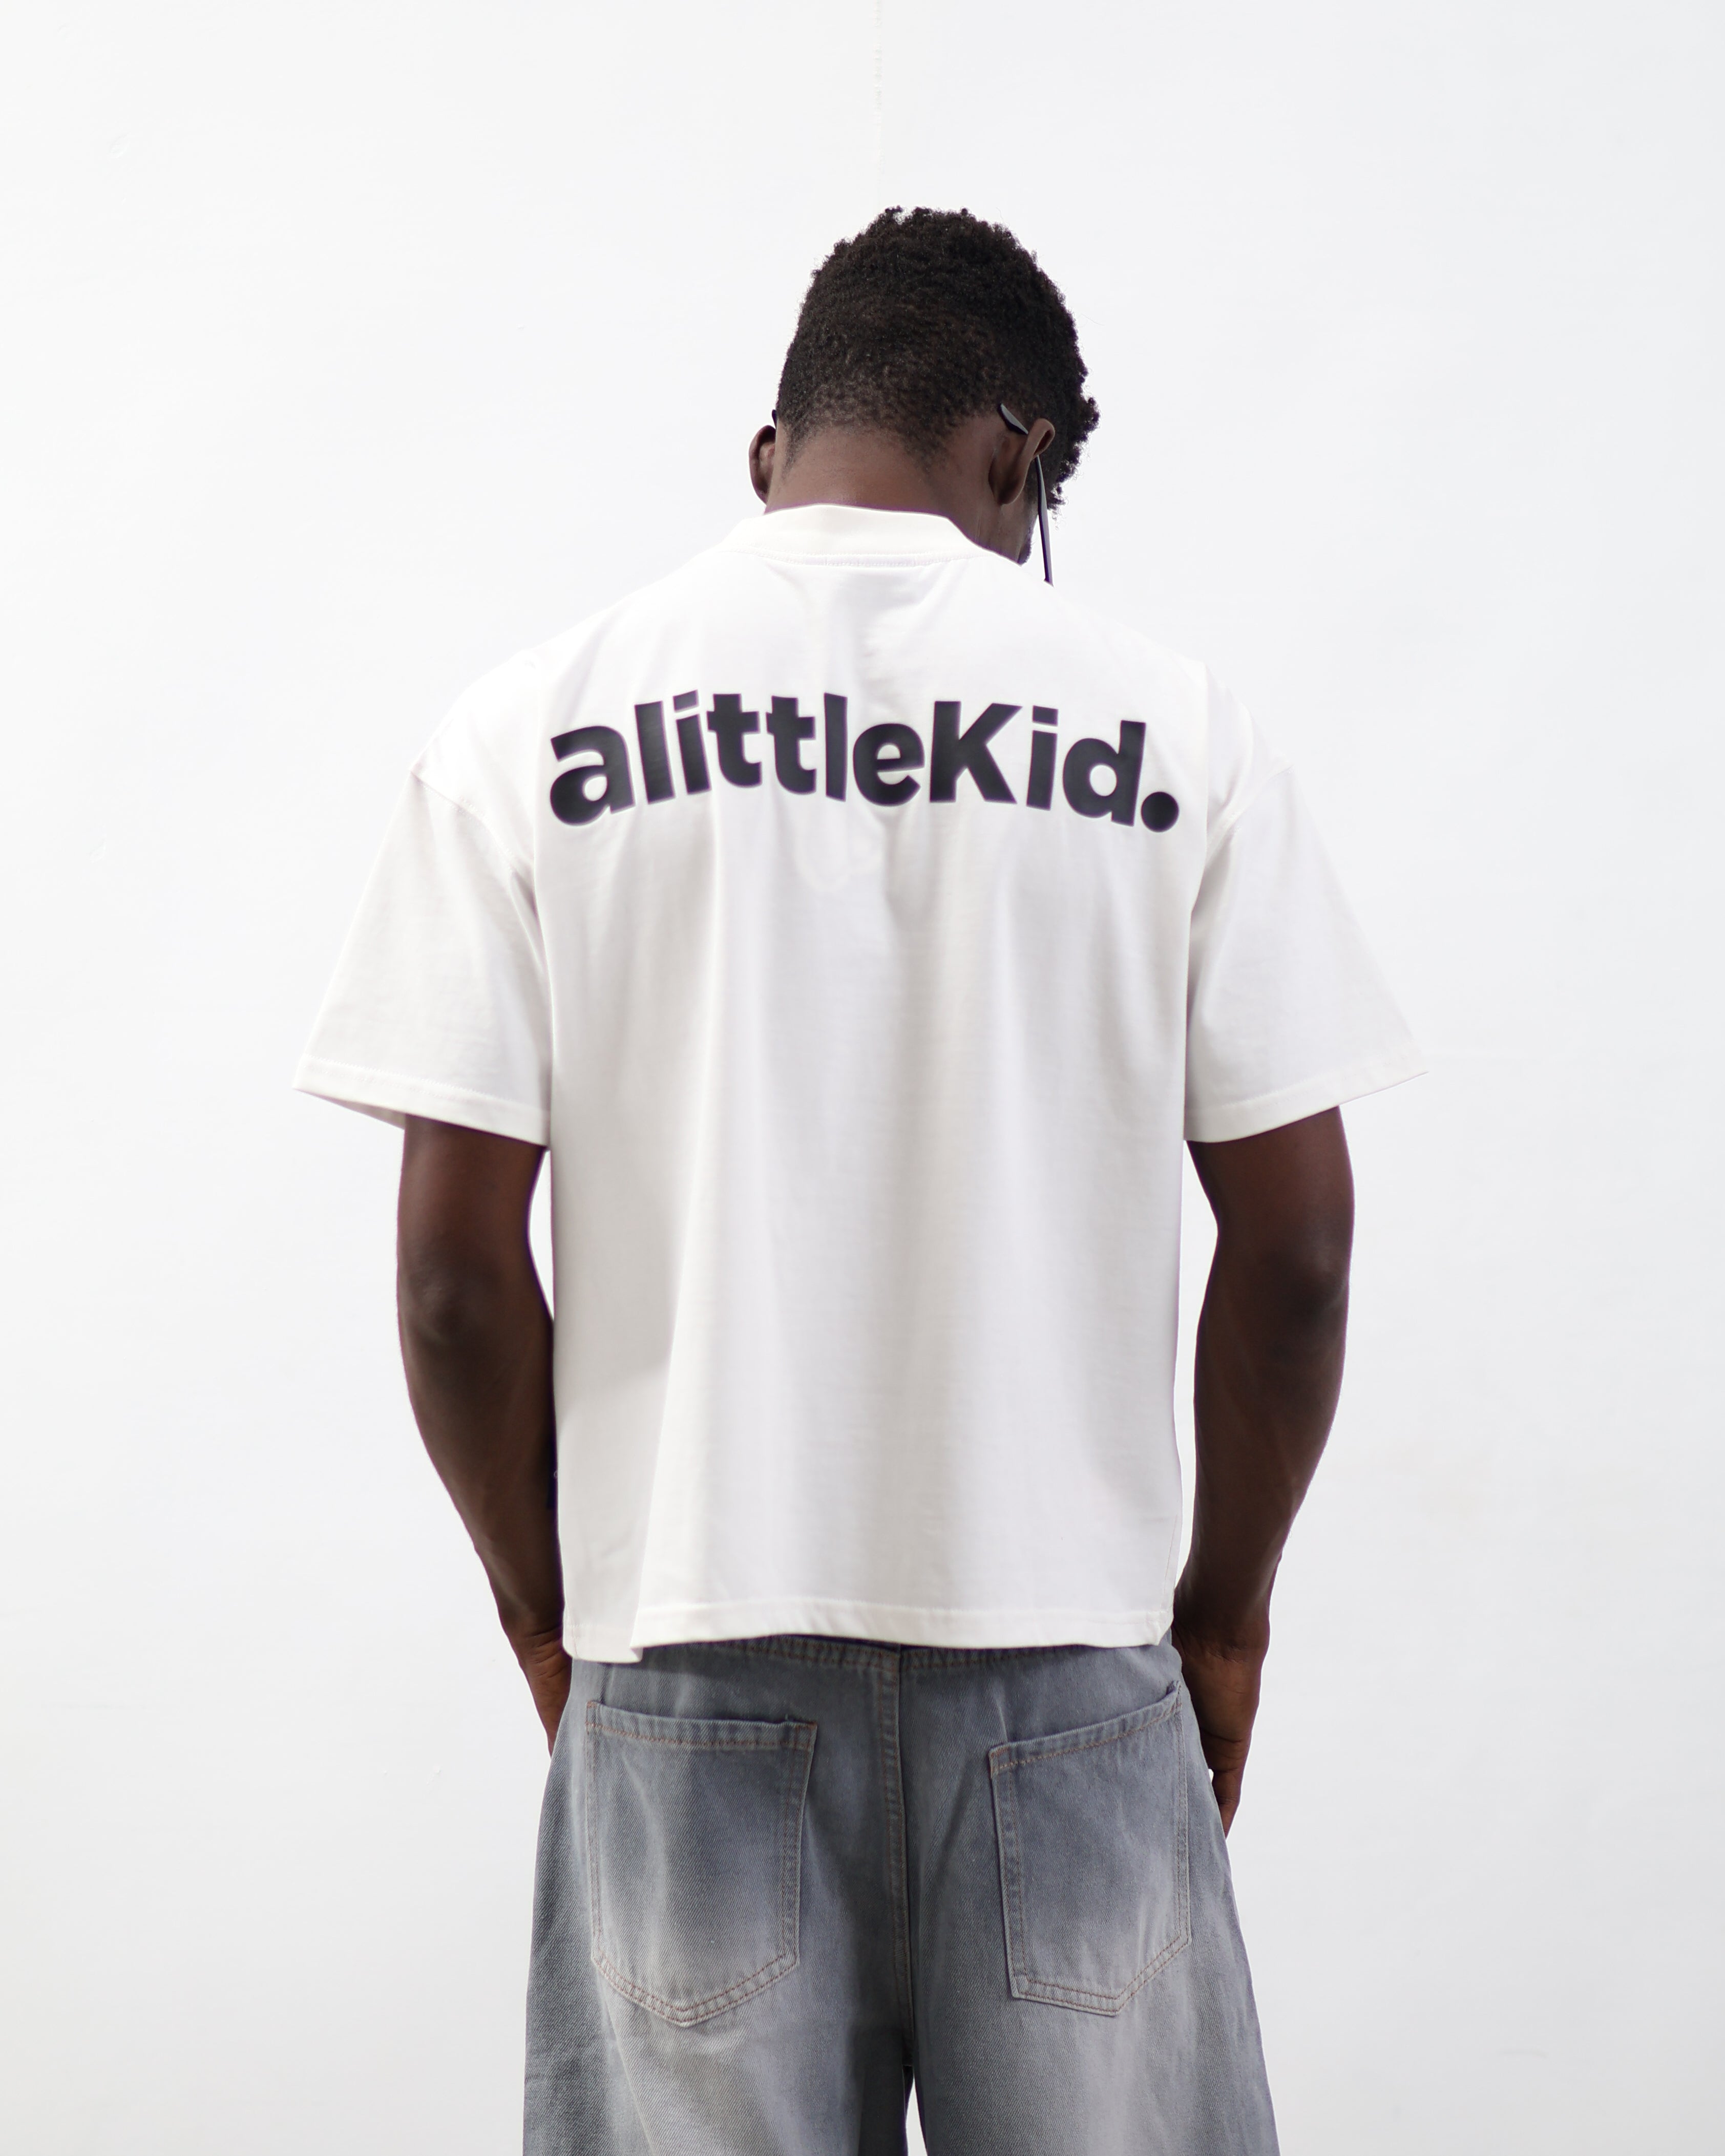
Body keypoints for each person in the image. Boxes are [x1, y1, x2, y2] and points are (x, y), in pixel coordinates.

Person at [296, 206, 1422, 2154]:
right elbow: (1302, 1246)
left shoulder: (530, 730)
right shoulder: (1179, 734)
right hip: (1067, 1673)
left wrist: (553, 1612)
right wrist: (1222, 1621)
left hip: (685, 1658)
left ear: (771, 451)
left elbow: (454, 1279)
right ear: (1015, 456)